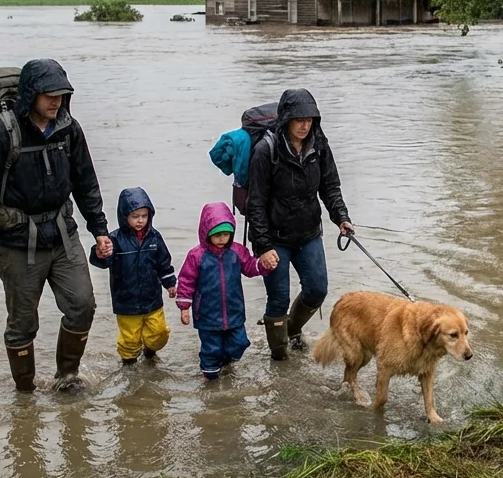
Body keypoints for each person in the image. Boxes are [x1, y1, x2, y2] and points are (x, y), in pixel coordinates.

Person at [0, 58, 113, 392]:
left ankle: (67, 377)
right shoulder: (1, 133)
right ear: (31, 93)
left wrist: (99, 229)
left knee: (82, 306)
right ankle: (25, 392)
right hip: (16, 241)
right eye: (49, 94)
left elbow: (86, 182)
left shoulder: (69, 128)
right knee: (22, 325)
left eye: (61, 94)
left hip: (62, 235)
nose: (56, 101)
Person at [245, 88, 354, 360]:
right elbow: (255, 203)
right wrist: (263, 246)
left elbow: (330, 186)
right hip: (274, 239)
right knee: (278, 299)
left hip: (308, 234)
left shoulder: (319, 145)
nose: (305, 125)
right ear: (286, 120)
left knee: (317, 289)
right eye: (299, 119)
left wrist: (341, 217)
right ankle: (280, 359)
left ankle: (292, 331)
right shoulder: (265, 150)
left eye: (310, 119)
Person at [175, 202, 278, 380]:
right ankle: (210, 376)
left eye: (226, 234)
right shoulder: (196, 255)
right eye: (217, 235)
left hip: (234, 311)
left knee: (240, 342)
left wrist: (263, 264)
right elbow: (186, 281)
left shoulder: (237, 251)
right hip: (207, 314)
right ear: (207, 233)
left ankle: (227, 360)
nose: (222, 239)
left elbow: (251, 267)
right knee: (211, 348)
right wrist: (185, 307)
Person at [89, 187, 177, 365]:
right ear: (124, 216)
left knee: (159, 333)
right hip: (125, 301)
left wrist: (170, 283)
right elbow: (101, 261)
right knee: (130, 338)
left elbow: (164, 263)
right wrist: (100, 253)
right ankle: (128, 364)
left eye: (144, 216)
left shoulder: (155, 238)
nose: (140, 221)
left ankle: (150, 350)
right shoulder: (114, 239)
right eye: (135, 216)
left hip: (152, 299)